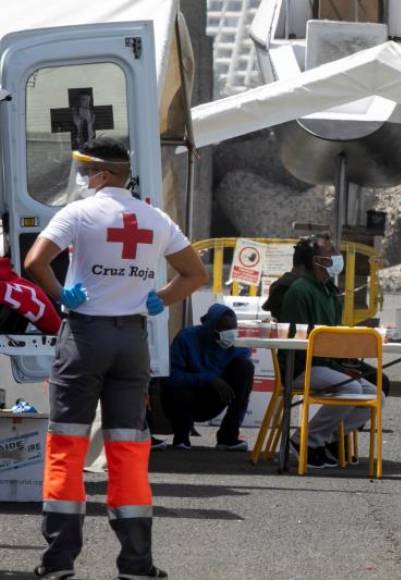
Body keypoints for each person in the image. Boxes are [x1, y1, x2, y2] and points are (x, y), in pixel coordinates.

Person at [24, 137, 208, 579]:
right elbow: (195, 274)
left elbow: (34, 262)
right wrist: (161, 299)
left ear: (103, 174)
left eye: (87, 172)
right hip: (132, 342)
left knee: (67, 445)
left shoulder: (78, 213)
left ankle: (58, 561)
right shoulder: (156, 218)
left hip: (85, 337)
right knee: (128, 449)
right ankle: (136, 563)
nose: (83, 180)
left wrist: (61, 293)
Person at [278, 234, 384, 469]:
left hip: (325, 364)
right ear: (316, 261)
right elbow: (300, 343)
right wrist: (339, 369)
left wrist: (343, 365)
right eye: (331, 252)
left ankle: (327, 439)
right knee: (351, 388)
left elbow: (334, 338)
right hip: (301, 367)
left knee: (376, 394)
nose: (337, 256)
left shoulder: (330, 292)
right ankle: (305, 440)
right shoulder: (300, 291)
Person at [160, 304, 254, 451]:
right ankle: (181, 437)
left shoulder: (237, 346)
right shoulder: (187, 338)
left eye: (233, 328)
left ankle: (228, 436)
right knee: (175, 388)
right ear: (211, 327)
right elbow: (171, 377)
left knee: (246, 367)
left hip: (216, 397)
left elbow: (243, 371)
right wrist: (209, 379)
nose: (230, 333)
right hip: (186, 397)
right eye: (224, 328)